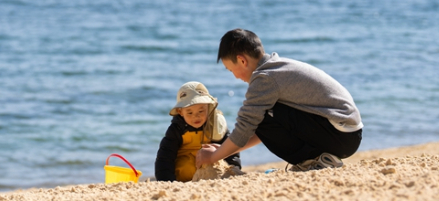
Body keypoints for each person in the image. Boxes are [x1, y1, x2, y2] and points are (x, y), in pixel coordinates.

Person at [196, 29, 363, 172]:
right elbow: (264, 130)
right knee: (262, 115)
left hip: (339, 134)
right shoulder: (275, 68)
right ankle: (319, 159)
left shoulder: (264, 78)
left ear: (242, 60)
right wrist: (224, 151)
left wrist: (212, 157)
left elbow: (247, 126)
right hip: (346, 134)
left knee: (259, 116)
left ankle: (314, 160)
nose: (235, 76)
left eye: (231, 70)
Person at [155, 81, 241, 181]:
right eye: (190, 113)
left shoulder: (215, 126)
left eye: (201, 111)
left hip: (208, 174)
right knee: (184, 165)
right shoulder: (176, 129)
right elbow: (165, 157)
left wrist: (233, 169)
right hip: (182, 176)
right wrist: (166, 180)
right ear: (180, 111)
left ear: (208, 107)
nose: (196, 116)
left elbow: (229, 148)